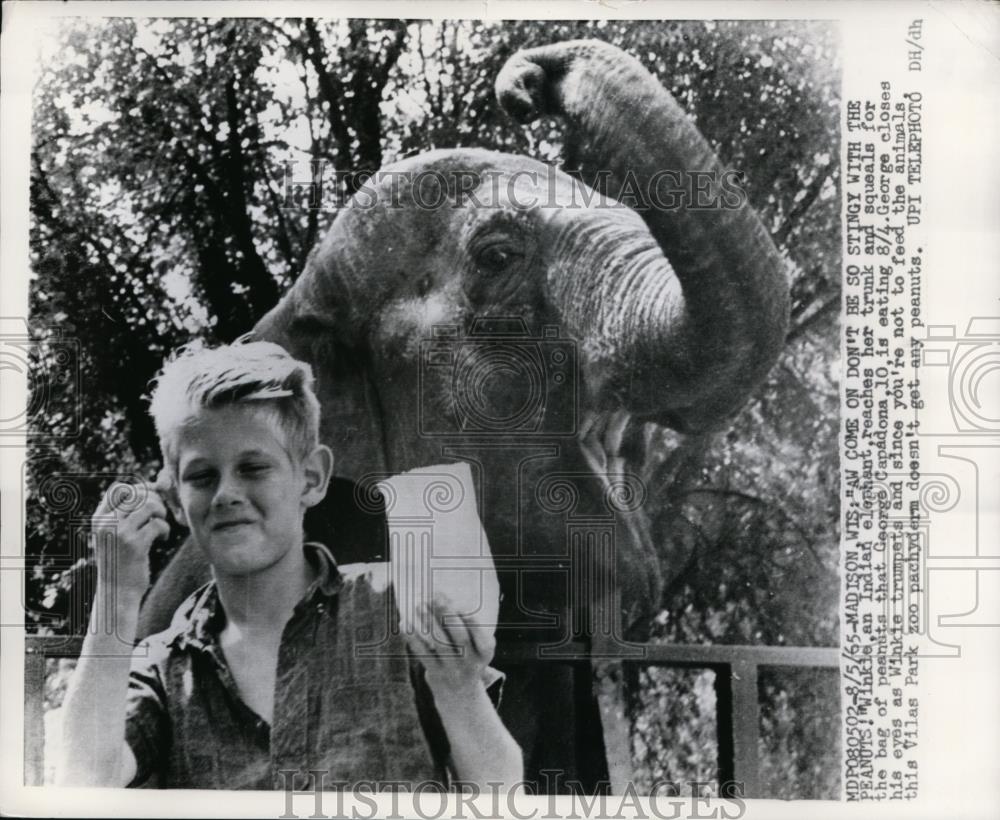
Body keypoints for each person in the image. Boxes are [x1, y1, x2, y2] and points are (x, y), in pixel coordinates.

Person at [56, 340, 522, 790]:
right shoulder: (162, 667)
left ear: (312, 479)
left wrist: (458, 690)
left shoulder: (400, 609)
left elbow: (500, 796)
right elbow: (82, 784)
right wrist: (116, 594)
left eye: (254, 467)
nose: (226, 494)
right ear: (177, 499)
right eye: (201, 476)